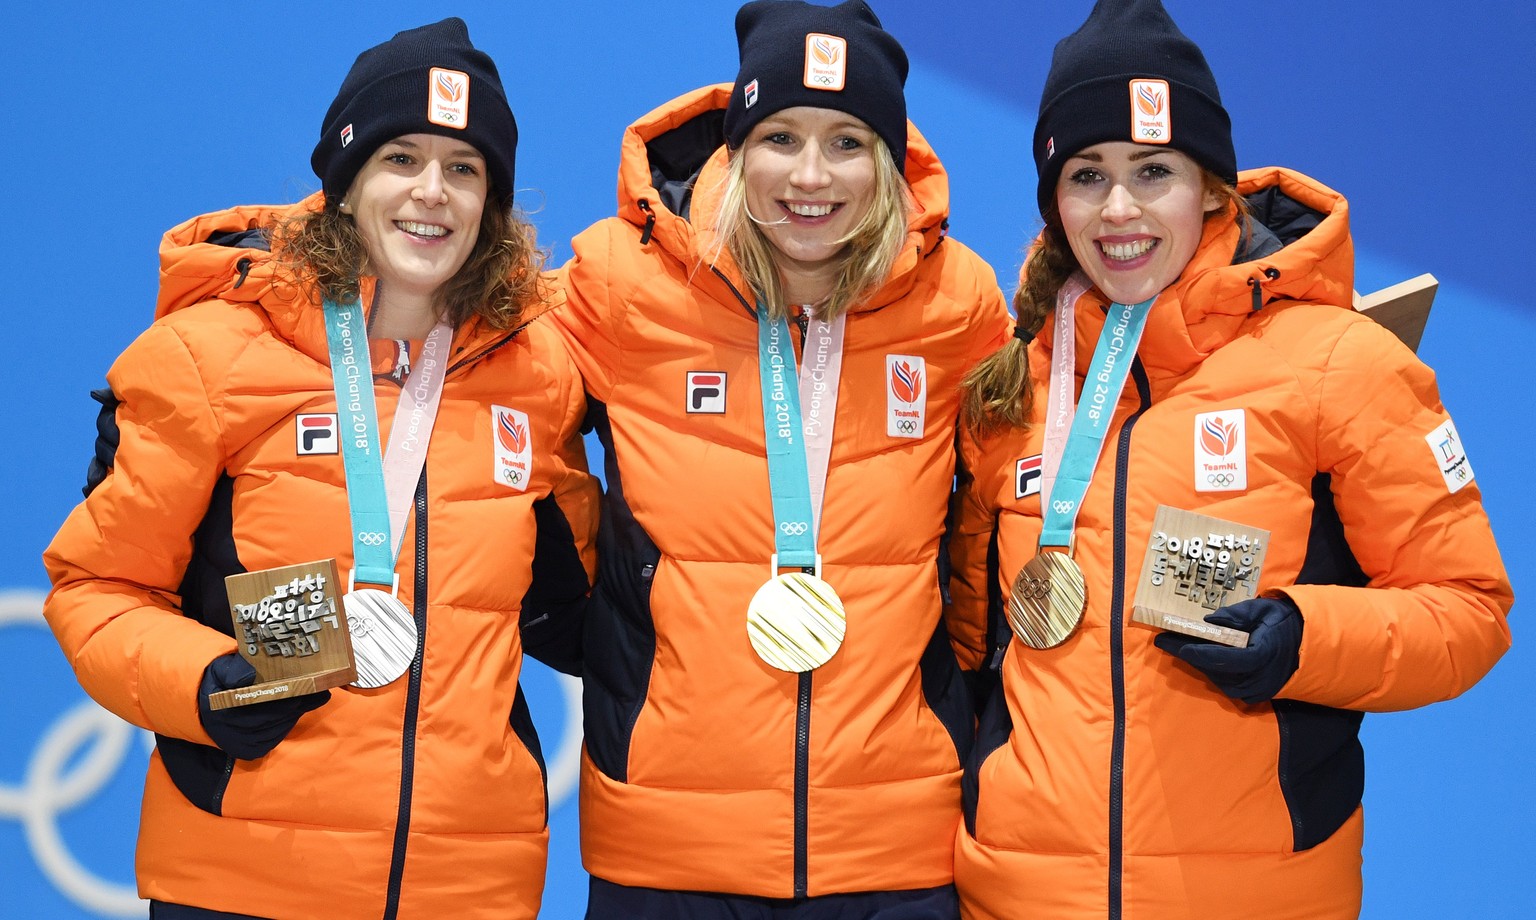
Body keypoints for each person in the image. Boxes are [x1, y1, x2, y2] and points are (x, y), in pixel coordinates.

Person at [947, 1, 1515, 917]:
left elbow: (1468, 612)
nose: (1119, 208)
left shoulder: (1341, 361)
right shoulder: (1020, 382)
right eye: (1086, 174)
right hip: (1018, 893)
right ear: (1053, 200)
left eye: (1154, 171)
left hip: (1253, 893)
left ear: (1215, 188)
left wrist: (1305, 638)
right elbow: (978, 642)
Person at [41, 18, 596, 920]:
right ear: (343, 183)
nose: (433, 192)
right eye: (401, 159)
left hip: (469, 888)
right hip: (243, 879)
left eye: (464, 168)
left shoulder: (537, 377)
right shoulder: (209, 355)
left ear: (492, 203)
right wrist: (206, 685)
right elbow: (95, 587)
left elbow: (575, 598)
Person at [550, 1, 1010, 915]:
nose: (811, 176)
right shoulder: (620, 283)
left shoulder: (959, 303)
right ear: (735, 146)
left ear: (887, 159)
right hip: (667, 853)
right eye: (780, 137)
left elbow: (1005, 510)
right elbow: (455, 377)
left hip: (897, 853)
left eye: (848, 142)